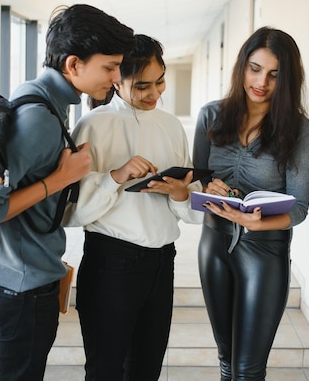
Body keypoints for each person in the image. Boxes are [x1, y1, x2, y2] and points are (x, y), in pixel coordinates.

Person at [0, 4, 134, 381]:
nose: (118, 77)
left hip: (19, 275)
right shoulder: (39, 118)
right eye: (109, 66)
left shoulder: (40, 97)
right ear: (73, 65)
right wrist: (59, 179)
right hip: (20, 285)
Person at [62, 34, 204, 380]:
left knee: (147, 368)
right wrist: (115, 176)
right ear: (117, 80)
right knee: (105, 369)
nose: (154, 93)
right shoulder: (93, 125)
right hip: (111, 263)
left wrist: (180, 193)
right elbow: (71, 212)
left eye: (160, 82)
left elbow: (190, 208)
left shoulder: (171, 126)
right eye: (142, 86)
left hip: (162, 262)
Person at [192, 26, 309, 380]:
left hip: (264, 252)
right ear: (242, 67)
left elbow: (300, 208)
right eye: (255, 68)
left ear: (288, 79)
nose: (261, 81)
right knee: (226, 361)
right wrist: (209, 187)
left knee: (248, 370)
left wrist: (257, 222)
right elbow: (197, 179)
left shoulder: (299, 132)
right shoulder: (210, 116)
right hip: (213, 245)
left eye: (275, 75)